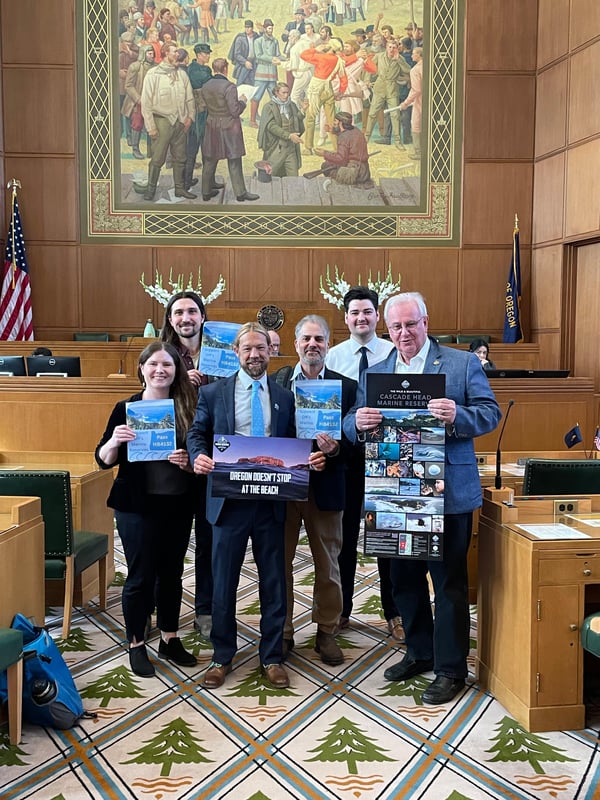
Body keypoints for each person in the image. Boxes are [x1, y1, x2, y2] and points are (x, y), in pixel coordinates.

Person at [343, 291, 501, 704]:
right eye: (396, 326)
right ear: (387, 329)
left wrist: (458, 415)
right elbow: (350, 423)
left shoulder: (461, 364)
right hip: (392, 490)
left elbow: (490, 413)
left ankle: (450, 668)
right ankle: (419, 651)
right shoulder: (376, 371)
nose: (404, 333)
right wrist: (356, 423)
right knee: (403, 579)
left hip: (445, 493)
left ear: (426, 323)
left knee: (448, 583)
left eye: (411, 324)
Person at [187, 322, 326, 689]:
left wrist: (312, 457)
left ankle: (272, 656)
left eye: (261, 348)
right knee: (223, 582)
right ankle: (222, 655)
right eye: (247, 348)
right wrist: (198, 455)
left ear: (271, 351)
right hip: (227, 502)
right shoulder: (213, 393)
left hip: (271, 502)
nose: (254, 355)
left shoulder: (285, 397)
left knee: (273, 580)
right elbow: (196, 433)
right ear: (236, 352)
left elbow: (297, 441)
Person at [95, 342, 199, 677]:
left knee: (171, 574)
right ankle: (136, 643)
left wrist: (188, 463)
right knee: (140, 576)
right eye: (153, 364)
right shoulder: (125, 408)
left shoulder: (187, 407)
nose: (160, 370)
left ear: (176, 370)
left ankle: (169, 638)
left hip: (177, 504)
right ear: (141, 368)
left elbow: (201, 457)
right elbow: (102, 460)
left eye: (167, 365)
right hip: (136, 507)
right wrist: (115, 441)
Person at [273, 315, 357, 665]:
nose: (312, 345)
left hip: (326, 486)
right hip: (284, 486)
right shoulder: (276, 383)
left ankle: (326, 631)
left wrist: (334, 451)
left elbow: (357, 441)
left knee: (328, 564)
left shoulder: (347, 387)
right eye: (306, 339)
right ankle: (283, 631)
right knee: (279, 562)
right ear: (295, 344)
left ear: (328, 344)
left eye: (319, 339)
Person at [325, 286, 401, 641]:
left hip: (386, 457)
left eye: (367, 312)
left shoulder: (394, 352)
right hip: (346, 458)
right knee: (345, 538)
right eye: (355, 312)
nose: (361, 318)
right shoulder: (333, 356)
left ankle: (394, 611)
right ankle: (342, 610)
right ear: (346, 318)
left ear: (377, 315)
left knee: (386, 536)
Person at [160, 290, 213, 638]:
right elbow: (149, 402)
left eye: (192, 311)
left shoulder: (221, 353)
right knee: (169, 544)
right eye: (178, 312)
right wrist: (181, 380)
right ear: (170, 319)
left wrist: (210, 383)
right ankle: (161, 609)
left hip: (211, 461)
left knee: (210, 543)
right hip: (175, 462)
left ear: (202, 317)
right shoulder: (161, 355)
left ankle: (206, 610)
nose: (185, 318)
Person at [140, 41, 196, 201]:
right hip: (161, 122)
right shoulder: (153, 75)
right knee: (157, 158)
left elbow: (190, 99)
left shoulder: (182, 74)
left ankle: (179, 189)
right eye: (174, 52)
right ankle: (151, 190)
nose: (177, 54)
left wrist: (190, 118)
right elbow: (146, 103)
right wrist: (151, 127)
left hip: (180, 123)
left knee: (180, 157)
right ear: (165, 54)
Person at [198, 57, 259, 202]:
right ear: (226, 69)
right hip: (229, 127)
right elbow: (235, 111)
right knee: (234, 160)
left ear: (214, 69)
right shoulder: (229, 87)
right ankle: (240, 193)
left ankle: (206, 192)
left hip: (212, 124)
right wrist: (243, 101)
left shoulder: (205, 86)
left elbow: (203, 106)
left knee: (210, 159)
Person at [313, 111, 374, 188]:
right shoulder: (356, 130)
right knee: (330, 165)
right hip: (364, 172)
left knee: (325, 166)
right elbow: (346, 136)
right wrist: (332, 130)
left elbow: (340, 159)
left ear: (341, 123)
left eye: (335, 121)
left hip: (353, 174)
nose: (333, 123)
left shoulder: (344, 137)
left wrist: (324, 153)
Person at [257, 82, 305, 178]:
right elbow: (271, 126)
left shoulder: (292, 105)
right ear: (276, 93)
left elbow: (296, 121)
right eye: (283, 93)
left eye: (287, 93)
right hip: (276, 148)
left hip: (291, 149)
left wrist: (303, 111)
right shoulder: (269, 107)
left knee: (294, 179)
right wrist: (289, 135)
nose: (286, 95)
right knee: (270, 176)